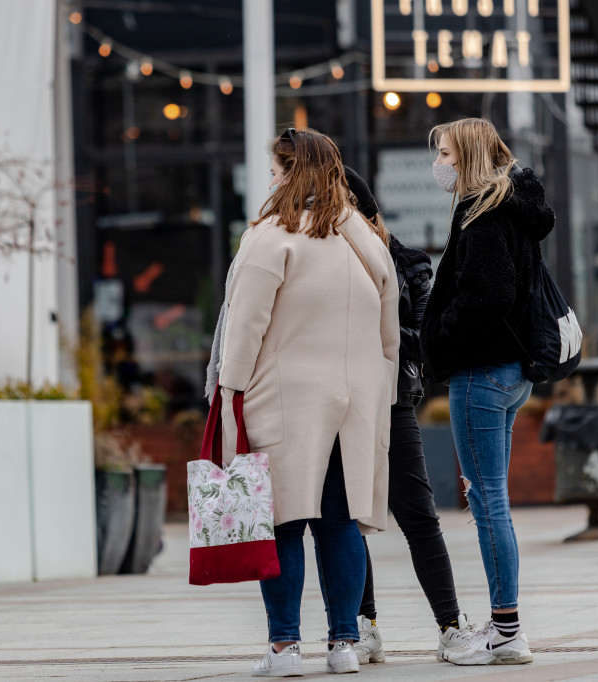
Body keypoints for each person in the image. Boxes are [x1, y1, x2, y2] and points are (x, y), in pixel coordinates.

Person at [215, 127, 399, 677]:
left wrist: (230, 391)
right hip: (357, 400)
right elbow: (389, 333)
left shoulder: (271, 237)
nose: (270, 179)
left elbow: (245, 327)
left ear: (292, 172)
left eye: (275, 169)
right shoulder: (366, 240)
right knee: (341, 522)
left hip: (284, 398)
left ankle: (284, 647)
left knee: (283, 522)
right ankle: (344, 643)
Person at [420, 118, 555, 665]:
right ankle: (506, 625)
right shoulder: (515, 208)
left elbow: (486, 298)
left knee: (488, 500)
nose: (441, 164)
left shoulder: (482, 217)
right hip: (511, 372)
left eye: (447, 154)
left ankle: (506, 629)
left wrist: (440, 336)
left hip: (480, 373)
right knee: (491, 498)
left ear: (469, 157)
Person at [341, 167, 473, 666]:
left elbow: (424, 333)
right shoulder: (326, 257)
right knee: (346, 520)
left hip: (393, 401)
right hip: (341, 403)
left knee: (418, 515)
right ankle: (363, 623)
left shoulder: (408, 264)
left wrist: (386, 352)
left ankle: (451, 624)